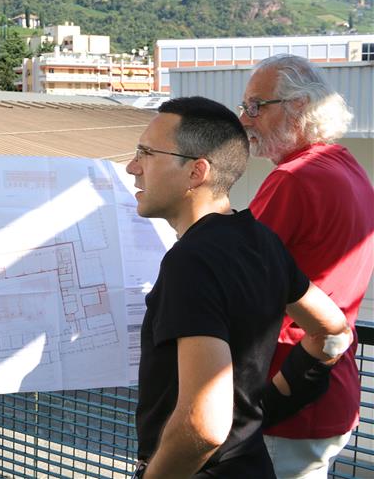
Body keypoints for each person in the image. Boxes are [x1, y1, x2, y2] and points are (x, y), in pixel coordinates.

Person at [127, 97, 351, 478]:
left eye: (146, 153)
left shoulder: (190, 262)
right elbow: (332, 331)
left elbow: (204, 426)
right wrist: (268, 405)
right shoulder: (261, 241)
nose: (133, 168)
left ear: (196, 171)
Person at [240, 54, 374, 478]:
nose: (245, 119)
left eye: (256, 106)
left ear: (298, 106)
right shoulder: (347, 166)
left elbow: (236, 280)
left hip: (288, 392)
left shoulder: (292, 180)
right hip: (330, 385)